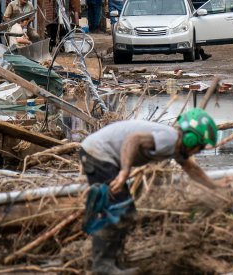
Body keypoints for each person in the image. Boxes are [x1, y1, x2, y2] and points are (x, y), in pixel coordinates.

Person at [80, 109, 223, 274]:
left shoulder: (176, 145)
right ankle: (103, 267)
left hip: (99, 154)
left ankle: (114, 263)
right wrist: (125, 172)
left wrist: (216, 187)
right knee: (118, 211)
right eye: (200, 147)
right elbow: (133, 140)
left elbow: (192, 169)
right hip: (98, 154)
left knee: (125, 211)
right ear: (191, 139)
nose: (199, 151)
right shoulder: (170, 138)